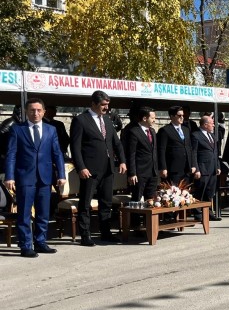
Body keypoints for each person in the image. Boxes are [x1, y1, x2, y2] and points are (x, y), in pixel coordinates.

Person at [4, 97, 66, 257]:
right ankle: (25, 245)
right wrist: (9, 176)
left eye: (39, 110)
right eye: (32, 110)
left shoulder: (50, 130)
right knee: (24, 213)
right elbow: (11, 154)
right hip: (25, 177)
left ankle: (40, 242)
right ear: (26, 112)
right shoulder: (17, 129)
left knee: (43, 212)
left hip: (45, 178)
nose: (35, 113)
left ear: (44, 112)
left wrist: (61, 174)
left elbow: (57, 153)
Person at [70, 90, 127, 246]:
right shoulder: (81, 120)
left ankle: (106, 232)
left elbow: (116, 142)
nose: (106, 108)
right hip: (90, 170)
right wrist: (81, 167)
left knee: (106, 202)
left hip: (108, 169)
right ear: (93, 104)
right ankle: (85, 235)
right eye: (103, 105)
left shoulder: (107, 120)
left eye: (107, 105)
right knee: (86, 203)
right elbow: (75, 147)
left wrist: (122, 160)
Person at [123, 105, 160, 207]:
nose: (154, 120)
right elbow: (131, 154)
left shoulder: (152, 131)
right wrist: (132, 173)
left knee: (151, 200)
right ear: (144, 118)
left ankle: (148, 221)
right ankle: (135, 221)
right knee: (137, 199)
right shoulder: (134, 132)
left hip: (152, 172)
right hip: (140, 172)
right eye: (152, 118)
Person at [157, 105, 197, 186]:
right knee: (174, 193)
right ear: (172, 116)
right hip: (173, 168)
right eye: (179, 115)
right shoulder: (165, 130)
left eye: (183, 115)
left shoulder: (186, 130)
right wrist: (163, 167)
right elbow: (161, 150)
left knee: (185, 193)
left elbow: (190, 148)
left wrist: (193, 164)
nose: (182, 117)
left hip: (186, 168)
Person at [191, 115, 222, 221]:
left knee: (209, 192)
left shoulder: (212, 136)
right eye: (212, 123)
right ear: (205, 124)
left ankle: (208, 212)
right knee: (200, 191)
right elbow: (193, 153)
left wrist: (217, 165)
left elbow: (215, 152)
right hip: (203, 168)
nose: (213, 125)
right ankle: (198, 213)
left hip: (212, 168)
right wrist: (196, 169)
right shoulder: (196, 135)